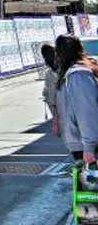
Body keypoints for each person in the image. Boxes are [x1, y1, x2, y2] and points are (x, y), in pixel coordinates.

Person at [55, 34, 98, 163]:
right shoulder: (75, 73)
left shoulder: (78, 76)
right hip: (82, 143)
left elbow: (86, 113)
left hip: (87, 146)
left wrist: (89, 148)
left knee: (89, 181)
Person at [42, 43, 59, 136]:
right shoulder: (49, 74)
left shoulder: (66, 71)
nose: (47, 59)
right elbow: (47, 95)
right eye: (45, 56)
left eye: (50, 54)